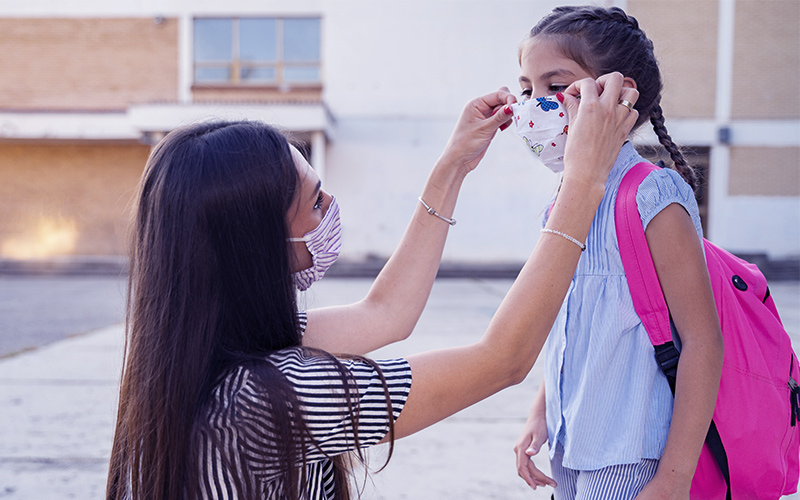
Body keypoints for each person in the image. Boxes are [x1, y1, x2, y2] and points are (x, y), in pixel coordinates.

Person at [106, 73, 638, 499]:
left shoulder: (211, 341)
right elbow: (502, 360)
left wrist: (453, 166)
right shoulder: (267, 396)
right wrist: (584, 180)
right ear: (257, 244)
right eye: (315, 202)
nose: (331, 209)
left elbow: (387, 313)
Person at [511, 5, 725, 500]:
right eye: (527, 89)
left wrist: (673, 478)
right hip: (570, 448)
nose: (535, 105)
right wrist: (539, 414)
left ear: (617, 93)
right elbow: (572, 322)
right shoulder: (563, 203)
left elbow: (702, 342)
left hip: (632, 458)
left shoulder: (652, 195)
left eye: (556, 86)